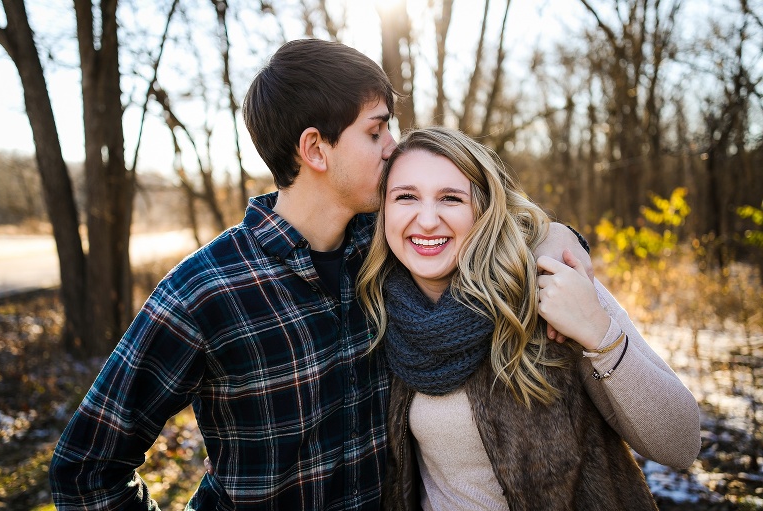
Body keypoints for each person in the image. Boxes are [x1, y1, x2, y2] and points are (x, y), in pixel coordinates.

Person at [49, 39, 590, 510]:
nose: (393, 147)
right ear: (315, 149)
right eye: (376, 131)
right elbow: (85, 469)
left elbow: (483, 223)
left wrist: (554, 235)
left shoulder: (387, 254)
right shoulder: (207, 291)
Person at [356, 126, 701, 511]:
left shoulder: (550, 284)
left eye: (451, 199)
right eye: (406, 197)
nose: (427, 219)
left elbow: (681, 444)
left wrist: (598, 333)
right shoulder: (376, 309)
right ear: (383, 210)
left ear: (483, 211)